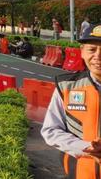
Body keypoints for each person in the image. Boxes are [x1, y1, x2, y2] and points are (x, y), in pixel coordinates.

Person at [41, 24, 101, 178]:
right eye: (92, 49)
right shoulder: (67, 86)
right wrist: (86, 147)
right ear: (82, 52)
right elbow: (51, 130)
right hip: (79, 173)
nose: (98, 56)